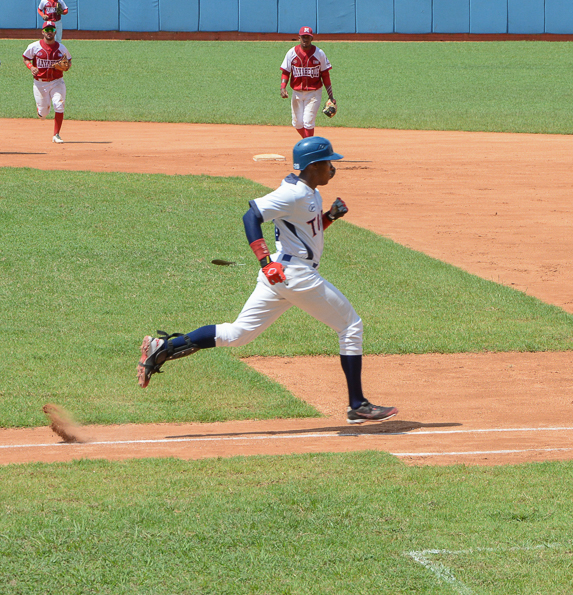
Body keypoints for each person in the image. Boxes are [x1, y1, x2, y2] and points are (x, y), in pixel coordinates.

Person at [137, 136, 398, 425]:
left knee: (238, 334)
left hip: (285, 276)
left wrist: (330, 218)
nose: (333, 168)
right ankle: (358, 404)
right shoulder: (292, 193)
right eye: (328, 163)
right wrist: (265, 261)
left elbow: (304, 232)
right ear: (313, 166)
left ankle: (163, 347)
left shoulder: (311, 192)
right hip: (295, 276)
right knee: (350, 326)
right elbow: (251, 216)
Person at [280, 26, 335, 139]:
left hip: (313, 93)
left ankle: (309, 148)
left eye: (308, 37)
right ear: (299, 38)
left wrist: (331, 96)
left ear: (311, 38)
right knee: (297, 123)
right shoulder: (291, 53)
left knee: (308, 122)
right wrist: (283, 87)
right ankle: (309, 144)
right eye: (303, 37)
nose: (305, 39)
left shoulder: (319, 53)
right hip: (297, 93)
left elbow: (325, 75)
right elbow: (285, 72)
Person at [22, 21, 71, 144]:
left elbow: (68, 61)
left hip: (57, 82)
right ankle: (40, 110)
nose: (50, 32)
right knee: (44, 113)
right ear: (43, 32)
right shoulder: (34, 46)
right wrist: (30, 67)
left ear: (55, 32)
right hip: (40, 84)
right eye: (47, 29)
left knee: (59, 105)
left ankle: (56, 134)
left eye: (52, 30)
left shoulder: (61, 48)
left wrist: (67, 66)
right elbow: (26, 58)